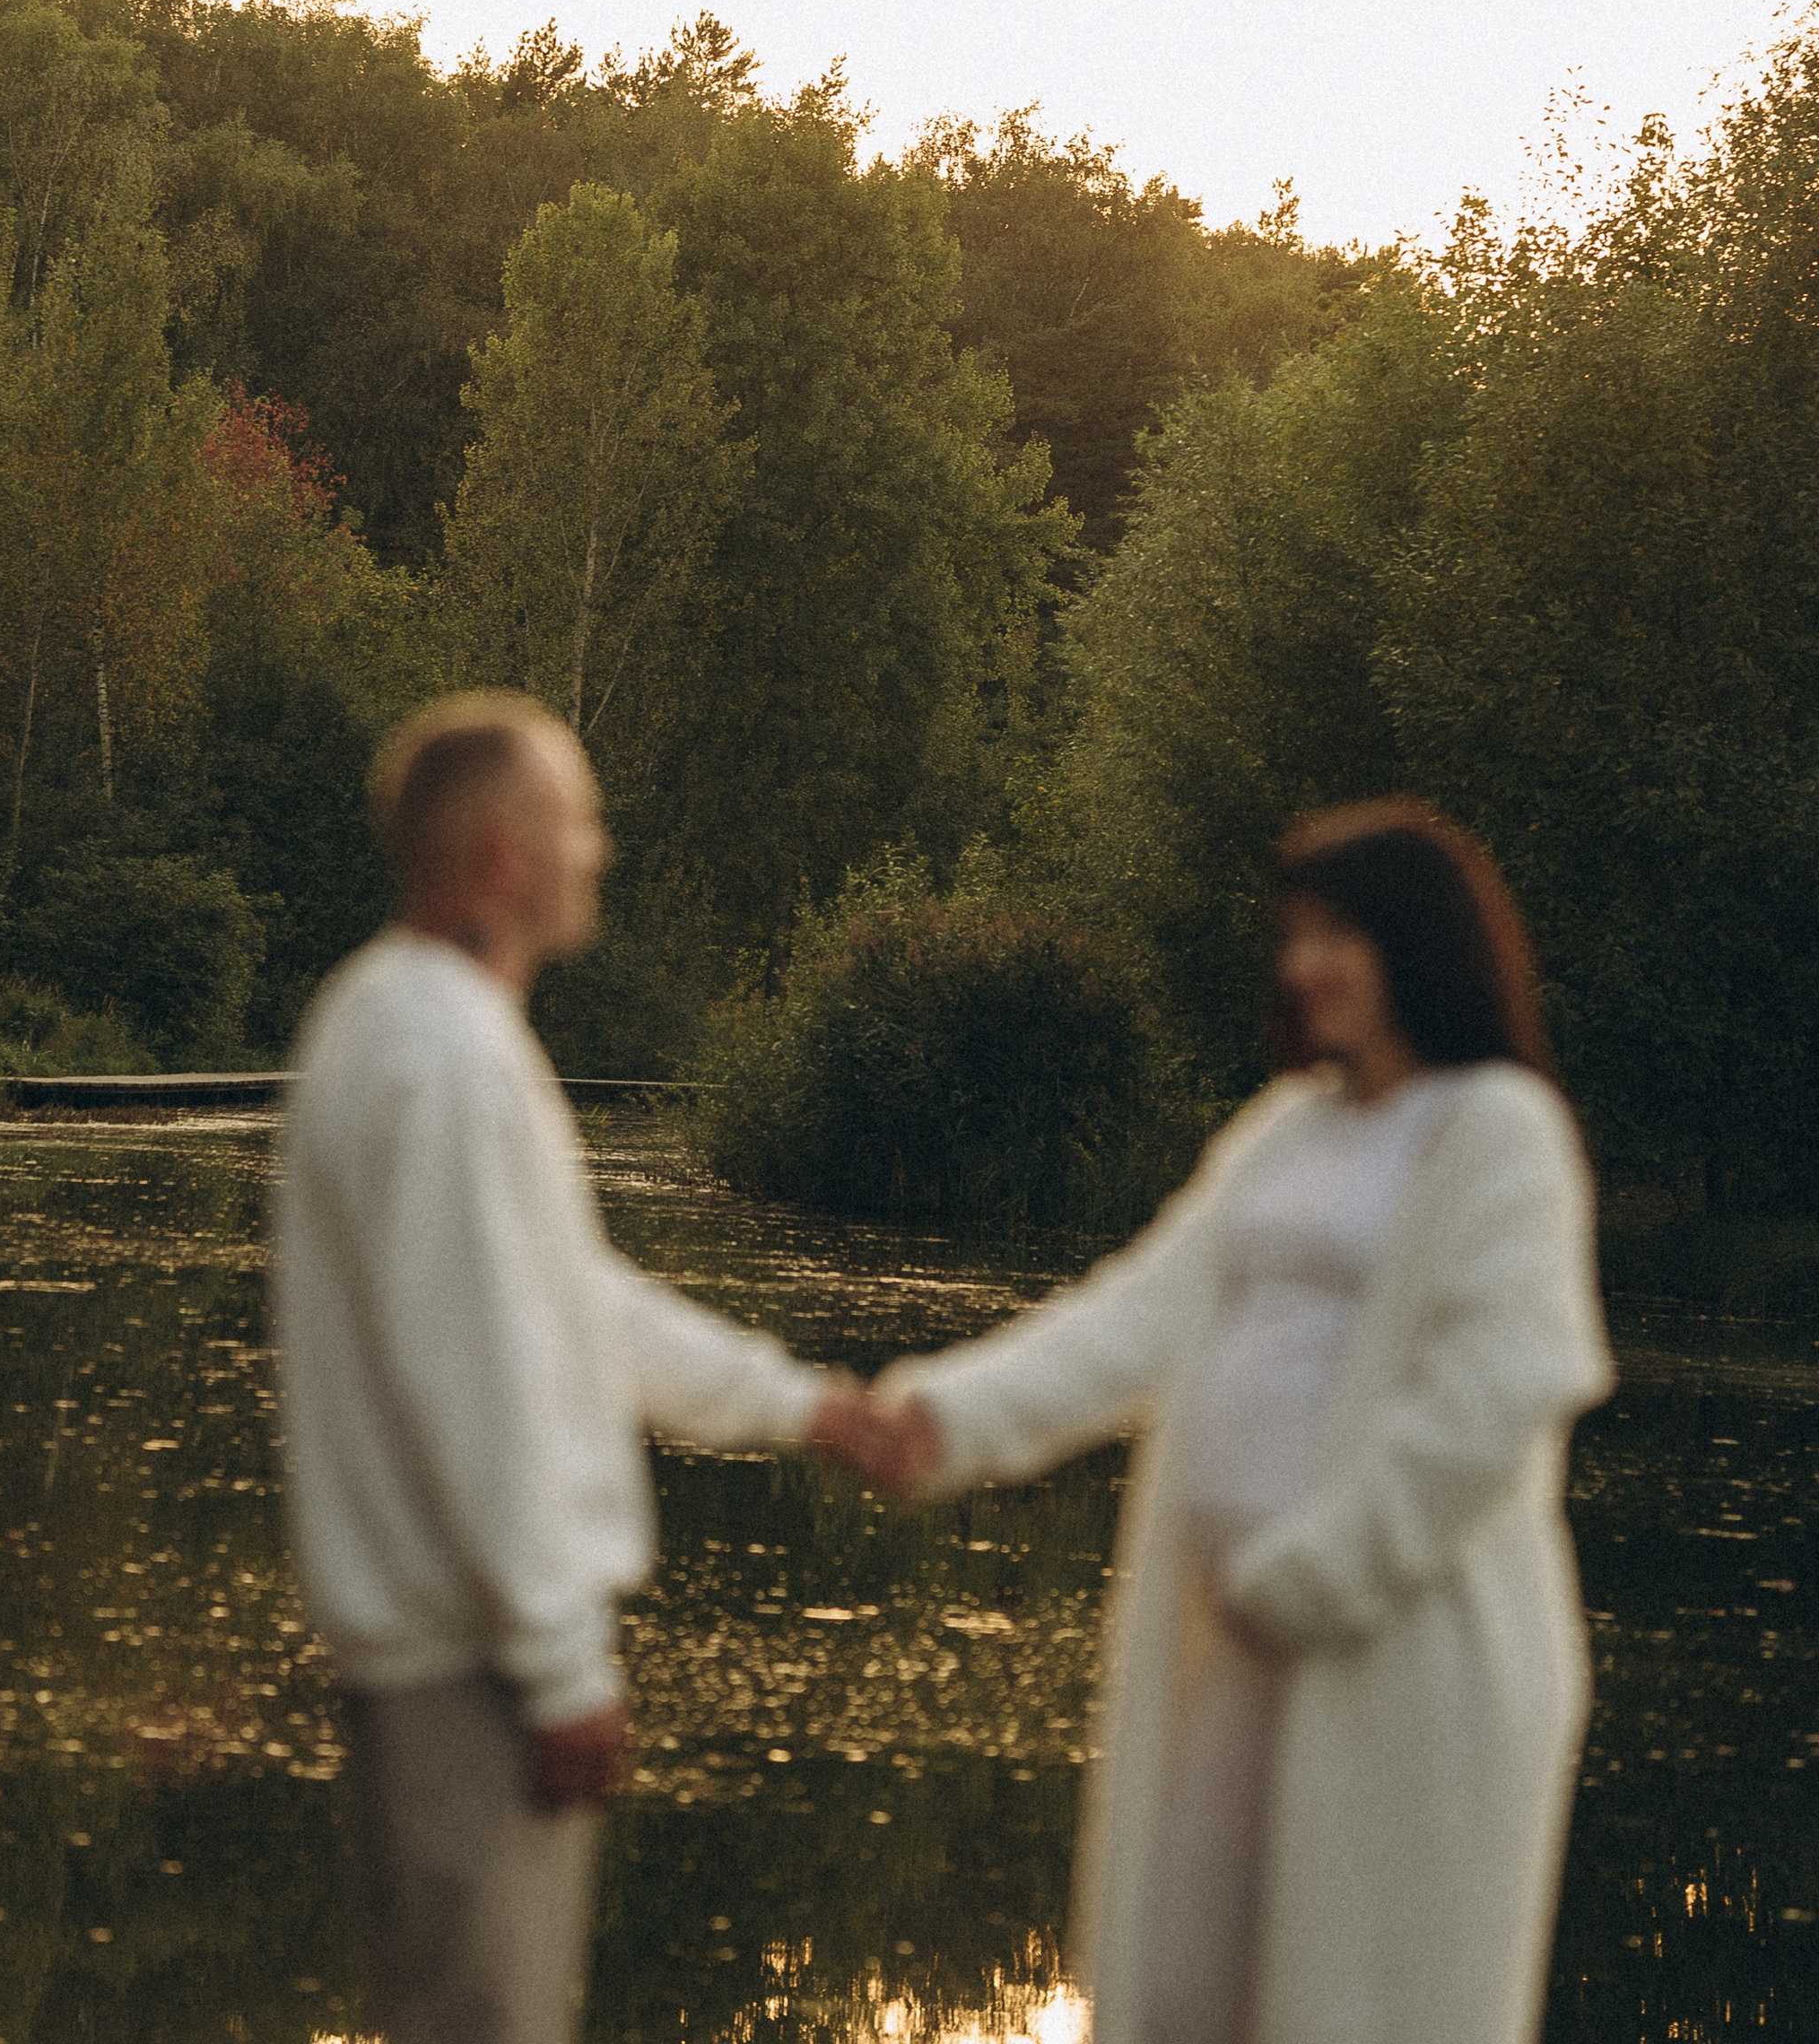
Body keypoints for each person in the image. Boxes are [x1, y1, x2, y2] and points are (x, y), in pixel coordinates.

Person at [866, 797, 1614, 2044]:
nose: (1303, 964)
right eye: (1295, 934)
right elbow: (1134, 1319)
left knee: (1368, 2010)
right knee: (1187, 1987)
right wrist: (935, 1418)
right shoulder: (1286, 1130)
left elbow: (1499, 1392)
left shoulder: (1501, 1130)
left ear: (1419, 945)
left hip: (1398, 1653)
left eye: (1338, 935)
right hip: (1230, 1640)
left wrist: (1309, 1576)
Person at [271, 691, 875, 2044]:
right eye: (580, 821)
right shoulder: (444, 1059)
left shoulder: (407, 1022)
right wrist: (559, 1664)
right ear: (503, 854)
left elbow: (566, 1306)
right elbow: (478, 1385)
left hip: (444, 1659)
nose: (600, 849)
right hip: (471, 1671)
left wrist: (800, 1405)